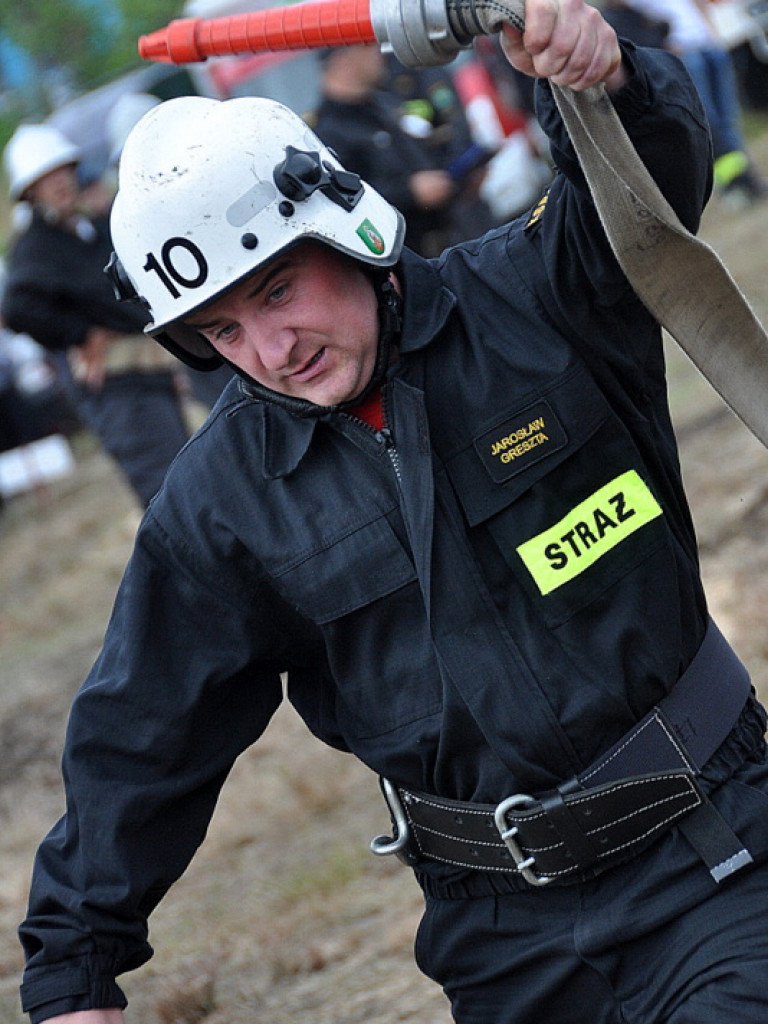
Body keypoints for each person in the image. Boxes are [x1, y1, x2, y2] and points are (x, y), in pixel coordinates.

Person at [18, 1, 768, 1022]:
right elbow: (144, 731)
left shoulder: (540, 297)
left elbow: (645, 179)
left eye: (278, 290)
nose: (270, 351)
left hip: (719, 848)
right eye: (223, 329)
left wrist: (603, 77)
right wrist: (74, 969)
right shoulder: (222, 501)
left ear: (342, 224)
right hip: (502, 943)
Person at [1, 123, 191, 509]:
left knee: (187, 470)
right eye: (45, 178)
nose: (59, 183)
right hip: (114, 385)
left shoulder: (85, 228)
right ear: (30, 192)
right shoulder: (35, 248)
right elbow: (19, 309)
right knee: (166, 487)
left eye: (62, 171)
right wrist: (81, 333)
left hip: (147, 368)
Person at [312, 43, 461, 256]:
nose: (379, 54)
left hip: (448, 235)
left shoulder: (384, 104)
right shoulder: (326, 133)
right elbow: (342, 204)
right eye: (367, 48)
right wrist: (410, 193)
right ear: (342, 60)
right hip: (403, 256)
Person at [621, 0, 768, 205]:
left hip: (708, 44)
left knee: (728, 117)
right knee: (708, 123)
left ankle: (746, 177)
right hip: (683, 53)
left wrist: (711, 30)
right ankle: (731, 186)